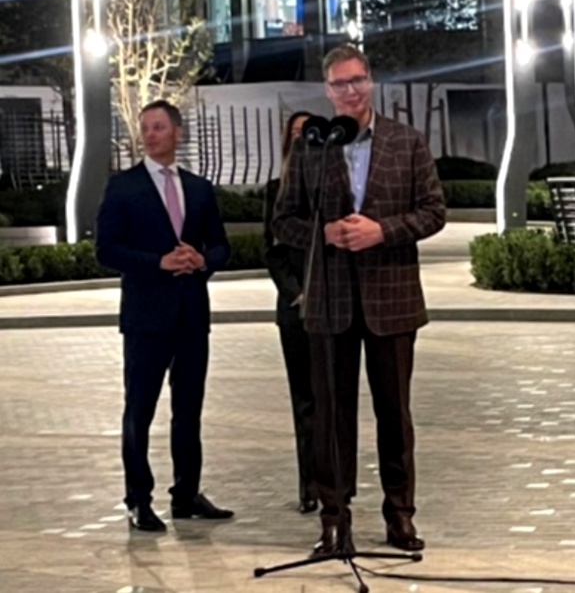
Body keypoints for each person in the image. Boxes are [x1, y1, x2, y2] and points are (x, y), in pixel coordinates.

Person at [271, 45, 446, 554]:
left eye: (357, 80)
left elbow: (434, 212)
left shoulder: (406, 142)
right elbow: (283, 221)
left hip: (392, 299)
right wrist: (323, 233)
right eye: (339, 83)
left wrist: (382, 231)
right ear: (327, 90)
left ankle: (400, 514)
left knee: (395, 414)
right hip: (331, 302)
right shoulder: (312, 146)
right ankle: (334, 518)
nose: (350, 90)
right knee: (331, 417)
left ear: (371, 82)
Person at [95, 99, 234, 532]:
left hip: (191, 315)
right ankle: (138, 499)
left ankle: (186, 493)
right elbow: (106, 250)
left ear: (177, 131)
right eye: (146, 128)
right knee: (139, 410)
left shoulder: (198, 188)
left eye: (158, 127)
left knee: (188, 410)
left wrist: (202, 259)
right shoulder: (123, 187)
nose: (150, 135)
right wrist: (158, 262)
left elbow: (221, 246)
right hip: (145, 318)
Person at [263, 110, 317, 514]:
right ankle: (309, 487)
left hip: (336, 308)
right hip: (296, 309)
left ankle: (338, 484)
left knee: (334, 400)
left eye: (309, 133)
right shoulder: (277, 189)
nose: (302, 140)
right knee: (305, 402)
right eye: (296, 134)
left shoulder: (337, 186)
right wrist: (296, 294)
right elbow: (272, 251)